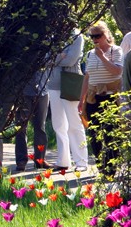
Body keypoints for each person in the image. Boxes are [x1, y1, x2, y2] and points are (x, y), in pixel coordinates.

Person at [78, 21, 123, 173]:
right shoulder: (90, 54)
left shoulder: (115, 51)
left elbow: (117, 71)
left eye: (98, 35)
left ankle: (111, 169)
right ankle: (101, 167)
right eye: (92, 36)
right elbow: (87, 78)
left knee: (110, 133)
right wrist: (81, 100)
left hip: (110, 98)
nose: (95, 39)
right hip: (93, 98)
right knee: (94, 134)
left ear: (106, 35)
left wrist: (102, 57)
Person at [47, 30, 89, 172]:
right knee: (58, 125)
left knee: (74, 124)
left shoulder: (77, 36)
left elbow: (71, 59)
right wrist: (60, 57)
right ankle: (63, 161)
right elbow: (45, 58)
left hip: (70, 83)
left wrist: (54, 58)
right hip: (53, 84)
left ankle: (81, 162)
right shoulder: (54, 35)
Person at [12, 71, 50, 172]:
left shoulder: (47, 54)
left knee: (40, 127)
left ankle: (40, 160)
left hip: (42, 91)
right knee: (21, 128)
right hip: (23, 92)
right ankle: (21, 161)